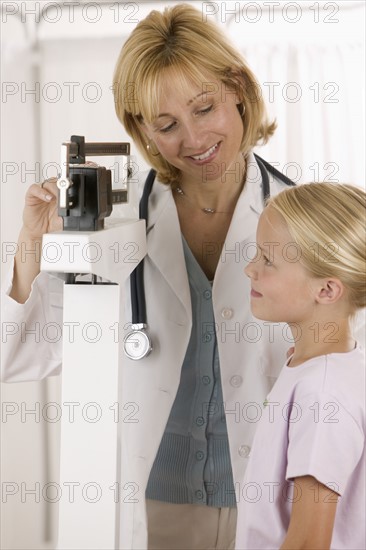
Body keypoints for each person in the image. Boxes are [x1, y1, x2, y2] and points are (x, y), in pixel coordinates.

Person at [2, 4, 363, 549]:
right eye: (166, 125)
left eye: (204, 108)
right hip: (157, 505)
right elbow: (17, 355)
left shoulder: (305, 220)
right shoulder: (116, 227)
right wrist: (32, 244)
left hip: (272, 504)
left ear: (237, 87)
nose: (193, 140)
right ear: (140, 128)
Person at [236, 182, 366, 550]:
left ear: (326, 291)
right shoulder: (321, 368)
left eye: (267, 260)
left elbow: (309, 541)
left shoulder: (322, 393)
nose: (250, 269)